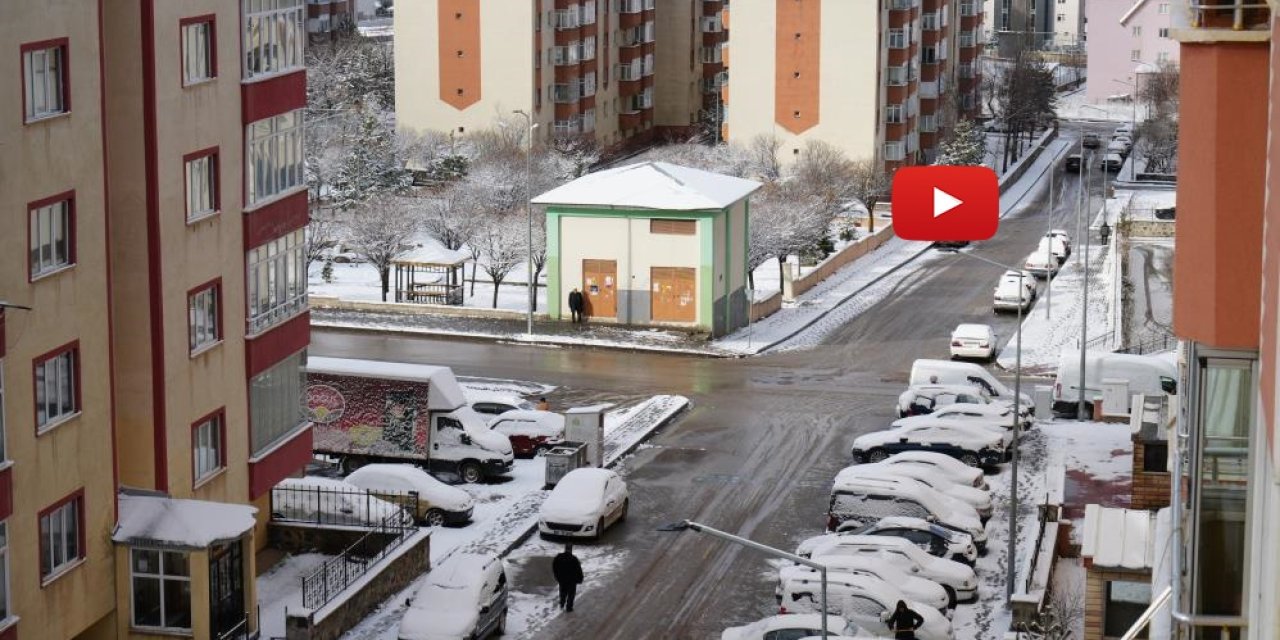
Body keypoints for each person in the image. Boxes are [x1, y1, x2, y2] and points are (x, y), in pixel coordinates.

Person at [552, 543, 584, 612]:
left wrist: (557, 576)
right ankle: (569, 607)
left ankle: (562, 604)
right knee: (571, 594)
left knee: (562, 592)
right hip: (572, 581)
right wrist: (580, 579)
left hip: (562, 580)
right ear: (571, 550)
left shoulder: (558, 557)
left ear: (565, 549)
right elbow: (578, 570)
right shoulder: (574, 559)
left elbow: (554, 567)